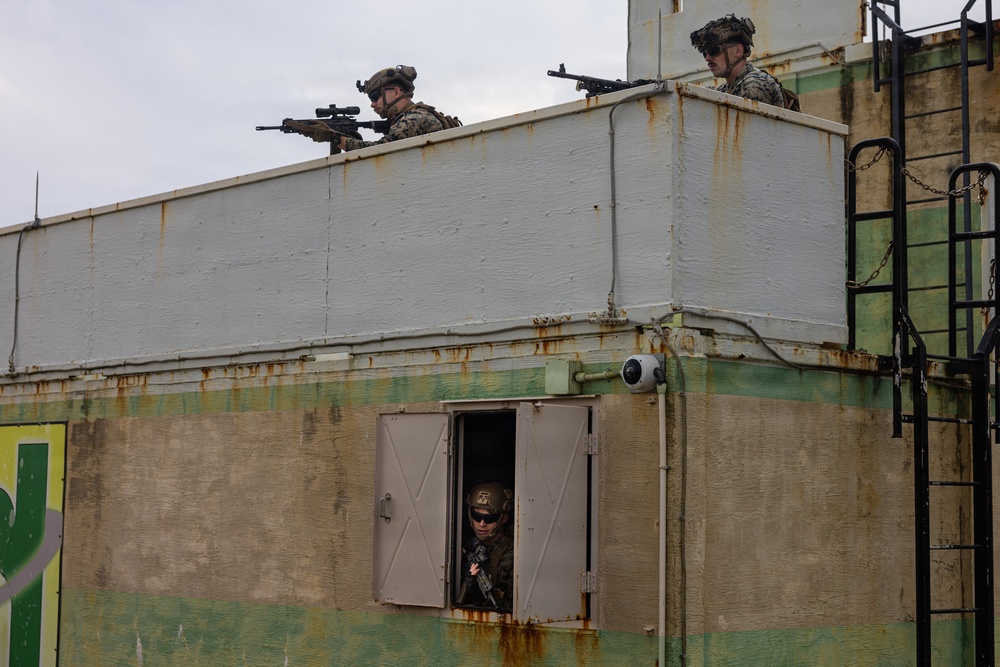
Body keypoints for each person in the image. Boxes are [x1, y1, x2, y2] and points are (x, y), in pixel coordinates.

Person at [287, 65, 458, 152]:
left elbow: (377, 152)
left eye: (375, 97)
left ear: (397, 92)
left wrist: (336, 138)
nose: (373, 104)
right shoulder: (414, 115)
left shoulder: (412, 119)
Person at [690, 15, 785, 108]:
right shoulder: (725, 89)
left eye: (714, 51)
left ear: (738, 51)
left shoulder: (756, 84)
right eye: (704, 54)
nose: (708, 58)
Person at [456, 481, 514, 613]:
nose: (482, 524)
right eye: (477, 516)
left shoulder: (511, 555)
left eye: (489, 518)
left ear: (503, 518)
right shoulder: (466, 546)